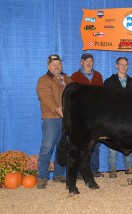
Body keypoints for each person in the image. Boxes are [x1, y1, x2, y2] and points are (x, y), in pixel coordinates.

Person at [36, 54, 73, 189]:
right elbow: (46, 97)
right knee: (47, 148)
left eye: (59, 64)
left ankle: (59, 174)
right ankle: (42, 177)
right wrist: (57, 109)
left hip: (67, 118)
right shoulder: (43, 80)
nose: (57, 67)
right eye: (54, 64)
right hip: (51, 118)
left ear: (61, 65)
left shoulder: (69, 79)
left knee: (63, 147)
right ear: (48, 66)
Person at [104, 57, 132, 178]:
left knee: (128, 140)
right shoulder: (109, 82)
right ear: (116, 65)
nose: (123, 66)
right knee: (112, 141)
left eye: (126, 64)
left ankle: (128, 167)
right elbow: (106, 100)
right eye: (121, 64)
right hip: (114, 117)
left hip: (128, 117)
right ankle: (112, 169)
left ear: (128, 66)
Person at [71, 53, 104, 178]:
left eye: (91, 61)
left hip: (96, 116)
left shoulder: (98, 76)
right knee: (81, 144)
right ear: (81, 62)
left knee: (95, 143)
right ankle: (80, 171)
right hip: (82, 116)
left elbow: (102, 96)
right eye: (86, 61)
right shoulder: (75, 76)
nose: (89, 63)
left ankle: (94, 169)